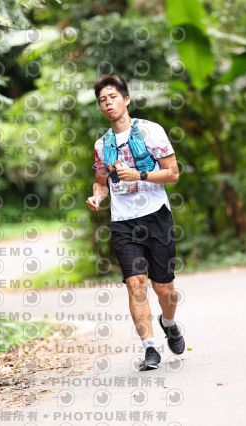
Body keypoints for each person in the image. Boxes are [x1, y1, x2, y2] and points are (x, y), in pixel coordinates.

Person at [86, 74, 185, 371]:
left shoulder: (151, 131)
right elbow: (100, 181)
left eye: (113, 97)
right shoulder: (102, 145)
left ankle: (169, 322)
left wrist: (139, 175)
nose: (108, 103)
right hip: (123, 222)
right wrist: (98, 197)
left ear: (126, 100)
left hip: (156, 215)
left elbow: (173, 174)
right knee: (135, 284)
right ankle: (150, 348)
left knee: (165, 289)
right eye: (102, 100)